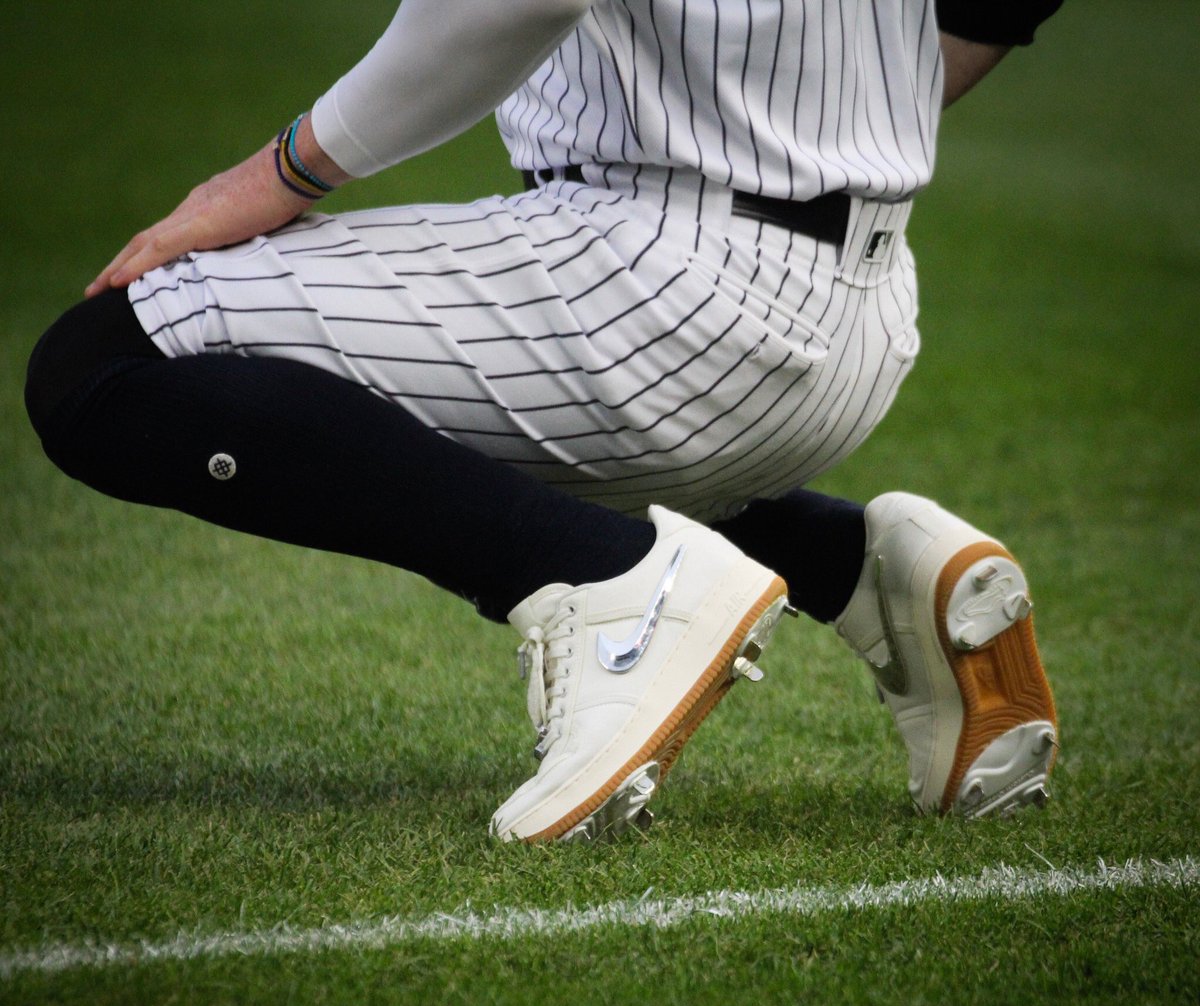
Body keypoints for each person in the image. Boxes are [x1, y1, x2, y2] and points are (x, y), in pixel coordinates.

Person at [24, 0, 1063, 842]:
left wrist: (268, 177)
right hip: (864, 307)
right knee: (445, 402)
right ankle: (857, 568)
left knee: (103, 364)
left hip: (660, 289)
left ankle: (614, 592)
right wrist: (845, 114)